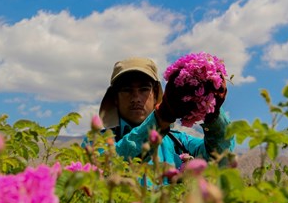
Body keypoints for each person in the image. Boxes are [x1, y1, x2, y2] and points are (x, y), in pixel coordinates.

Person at [91, 57, 234, 170]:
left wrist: (211, 112)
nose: (135, 98)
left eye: (144, 89)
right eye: (127, 90)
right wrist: (162, 116)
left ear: (155, 94)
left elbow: (221, 161)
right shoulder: (97, 141)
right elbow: (106, 165)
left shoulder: (180, 142)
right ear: (115, 98)